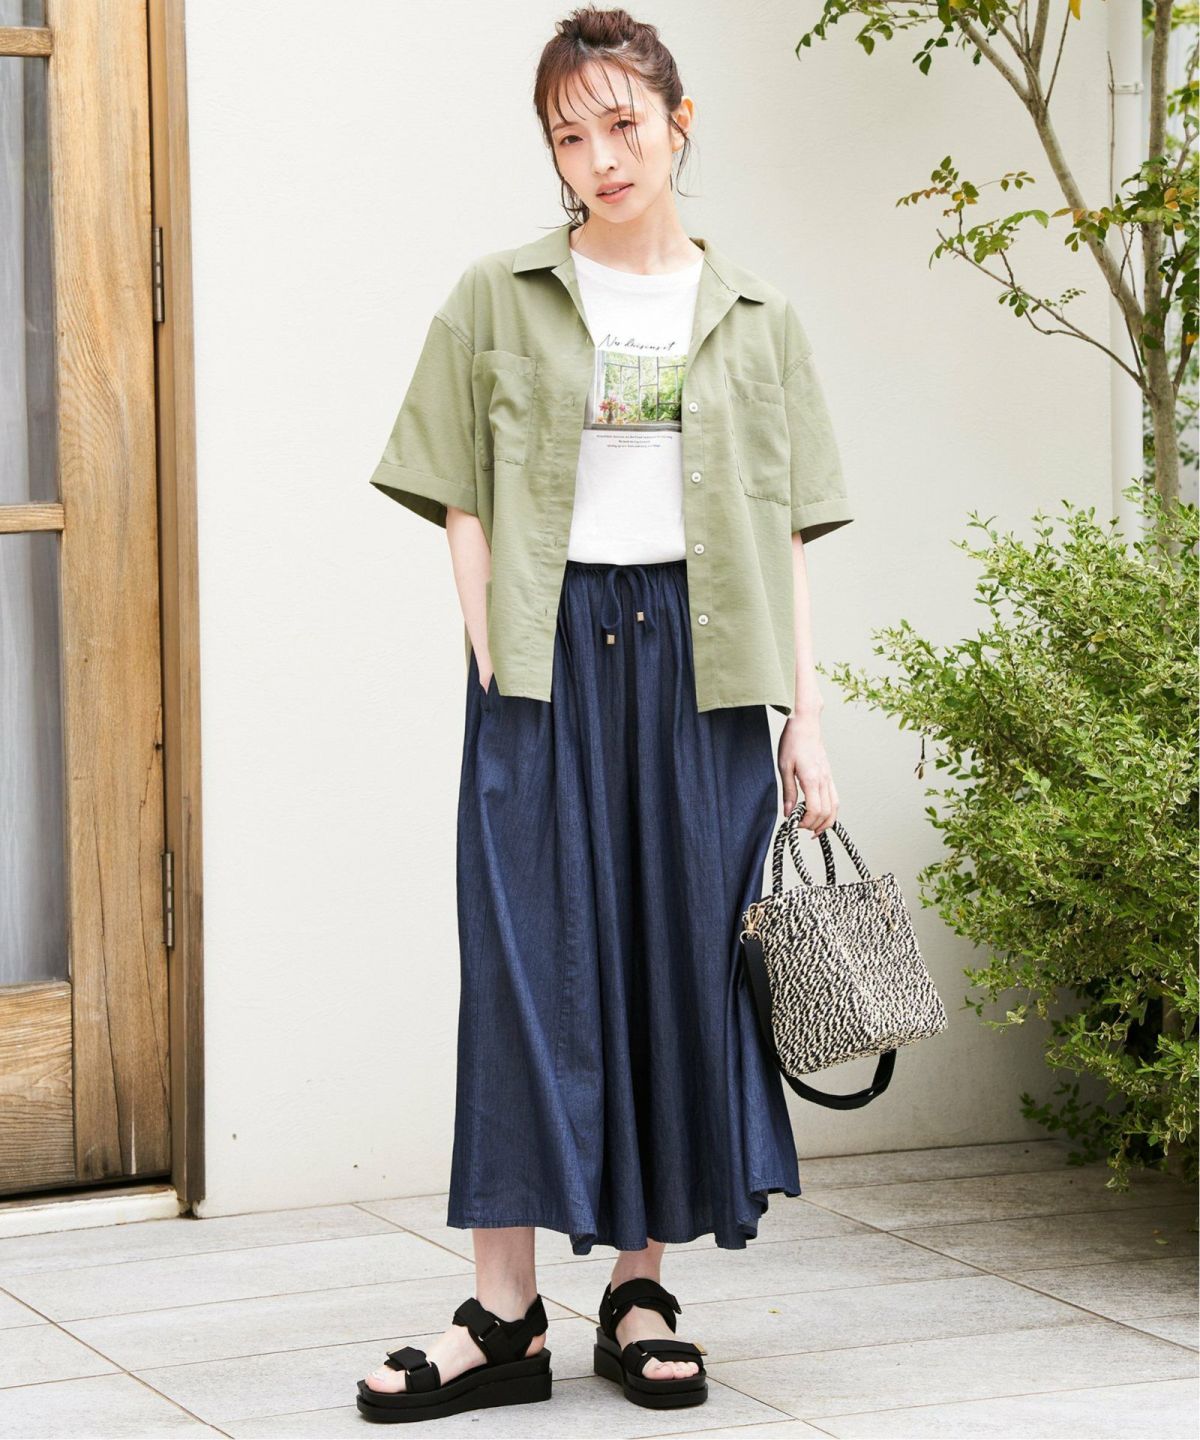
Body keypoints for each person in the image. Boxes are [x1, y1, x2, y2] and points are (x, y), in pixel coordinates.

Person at [354, 4, 854, 1425]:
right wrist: (496, 651)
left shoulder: (755, 316)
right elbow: (456, 490)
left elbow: (788, 528)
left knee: (676, 967)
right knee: (523, 972)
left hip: (705, 668)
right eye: (569, 136)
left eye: (623, 124)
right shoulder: (496, 293)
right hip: (545, 655)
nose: (600, 157)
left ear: (679, 123)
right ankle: (503, 1315)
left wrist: (805, 719)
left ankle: (640, 1294)